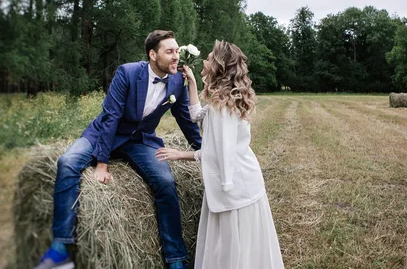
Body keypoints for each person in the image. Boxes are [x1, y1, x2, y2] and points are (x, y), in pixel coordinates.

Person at [36, 30, 202, 269]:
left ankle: (176, 259)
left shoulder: (177, 80)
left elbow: (186, 119)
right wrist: (102, 164)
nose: (176, 56)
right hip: (103, 134)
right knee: (68, 162)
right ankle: (61, 248)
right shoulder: (128, 72)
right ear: (153, 55)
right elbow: (111, 117)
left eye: (177, 50)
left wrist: (206, 151)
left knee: (165, 182)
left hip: (139, 141)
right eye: (170, 51)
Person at [156, 40, 284, 269]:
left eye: (208, 58)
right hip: (243, 183)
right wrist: (192, 84)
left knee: (230, 249)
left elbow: (219, 155)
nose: (204, 61)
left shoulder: (222, 108)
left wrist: (181, 155)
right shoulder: (221, 100)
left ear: (218, 66)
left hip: (235, 189)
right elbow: (196, 115)